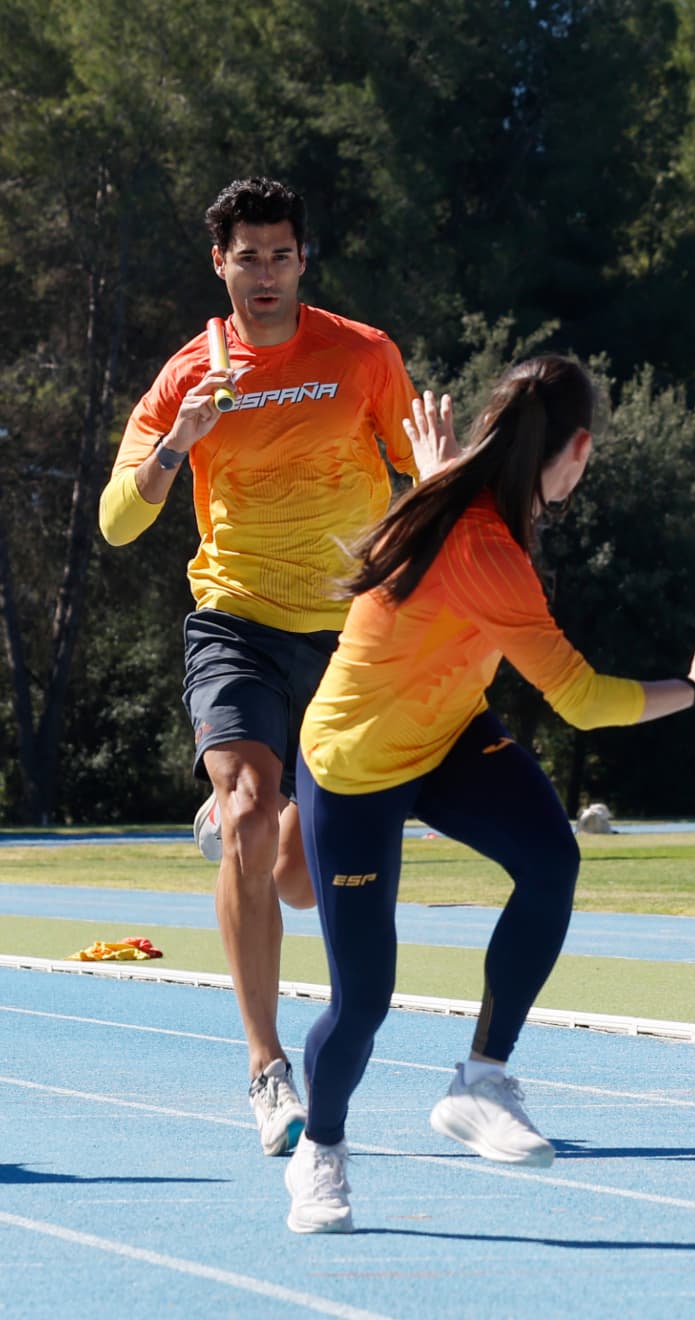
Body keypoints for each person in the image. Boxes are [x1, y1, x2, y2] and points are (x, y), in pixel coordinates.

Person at [281, 355, 695, 1234]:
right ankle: (321, 1153)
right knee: (364, 1005)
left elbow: (452, 530)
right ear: (576, 450)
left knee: (551, 858)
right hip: (354, 765)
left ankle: (481, 1079)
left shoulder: (468, 505)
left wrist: (435, 469)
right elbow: (582, 699)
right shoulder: (485, 548)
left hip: (447, 733)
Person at [98, 178, 446, 1156]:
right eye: (245, 256)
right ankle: (264, 1067)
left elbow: (421, 474)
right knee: (251, 814)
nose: (264, 273)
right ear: (220, 265)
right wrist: (180, 441)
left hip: (346, 633)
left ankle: (246, 819)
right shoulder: (187, 375)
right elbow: (118, 524)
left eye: (280, 254)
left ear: (303, 261)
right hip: (237, 623)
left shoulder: (364, 355)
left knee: (298, 877)